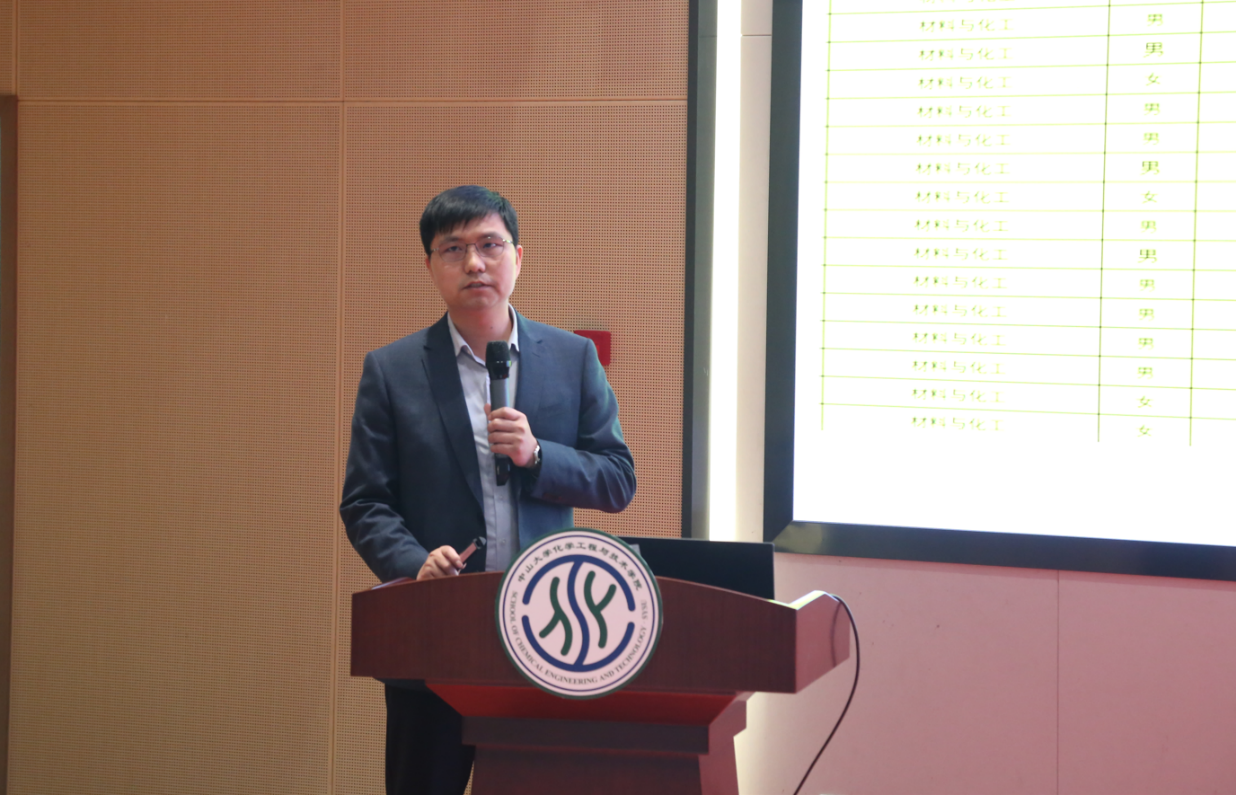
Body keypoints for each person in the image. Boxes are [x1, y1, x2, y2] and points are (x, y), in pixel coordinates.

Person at [340, 185, 637, 795]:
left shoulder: (573, 358)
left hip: (549, 632)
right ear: (430, 266)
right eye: (453, 249)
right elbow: (365, 501)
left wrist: (537, 455)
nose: (474, 263)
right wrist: (413, 563)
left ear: (518, 258)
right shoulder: (392, 371)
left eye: (489, 245)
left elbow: (616, 479)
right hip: (437, 633)